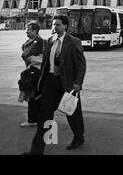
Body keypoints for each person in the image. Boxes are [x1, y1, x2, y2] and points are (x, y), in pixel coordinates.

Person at [23, 14, 86, 155]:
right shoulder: (49, 41)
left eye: (57, 24)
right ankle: (36, 151)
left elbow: (81, 65)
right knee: (44, 116)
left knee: (73, 114)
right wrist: (40, 83)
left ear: (65, 26)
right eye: (53, 24)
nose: (54, 27)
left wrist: (78, 83)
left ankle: (79, 137)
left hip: (68, 83)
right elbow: (45, 64)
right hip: (50, 82)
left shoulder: (73, 42)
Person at [19, 21, 44, 127]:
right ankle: (36, 118)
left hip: (36, 71)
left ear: (35, 30)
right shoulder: (30, 40)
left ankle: (32, 120)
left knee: (34, 95)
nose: (26, 31)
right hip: (31, 70)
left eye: (29, 29)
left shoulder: (39, 41)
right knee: (33, 95)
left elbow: (45, 55)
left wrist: (35, 59)